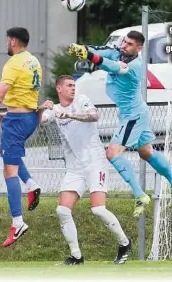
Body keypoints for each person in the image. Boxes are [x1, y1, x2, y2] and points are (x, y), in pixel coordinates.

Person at [68, 31, 172, 217]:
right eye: (124, 41)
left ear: (138, 48)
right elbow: (101, 51)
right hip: (135, 112)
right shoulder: (118, 51)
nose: (124, 45)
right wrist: (83, 49)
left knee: (112, 153)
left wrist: (90, 56)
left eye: (130, 44)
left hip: (133, 116)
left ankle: (140, 195)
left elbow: (110, 66)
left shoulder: (135, 65)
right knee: (146, 151)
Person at [40, 75, 132, 265]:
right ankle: (76, 257)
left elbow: (94, 116)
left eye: (74, 85)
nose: (73, 88)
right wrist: (35, 110)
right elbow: (40, 119)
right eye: (69, 85)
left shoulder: (82, 100)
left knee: (98, 209)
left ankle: (124, 243)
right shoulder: (55, 109)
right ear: (59, 89)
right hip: (74, 167)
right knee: (62, 211)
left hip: (94, 162)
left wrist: (71, 115)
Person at [0, 27, 42, 247]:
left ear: (13, 41)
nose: (6, 44)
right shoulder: (33, 60)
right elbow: (25, 92)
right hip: (28, 116)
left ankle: (18, 222)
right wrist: (10, 111)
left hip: (17, 122)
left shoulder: (12, 64)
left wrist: (5, 109)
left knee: (9, 171)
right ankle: (31, 185)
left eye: (7, 40)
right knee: (3, 149)